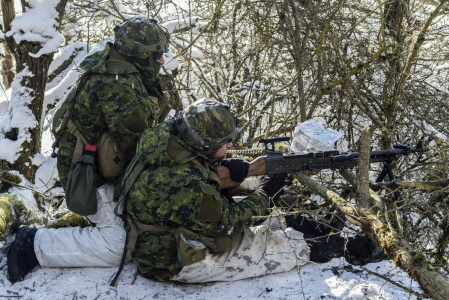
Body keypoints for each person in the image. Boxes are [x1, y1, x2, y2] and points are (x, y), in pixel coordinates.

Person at [125, 98, 384, 283]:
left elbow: (193, 176)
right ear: (203, 143)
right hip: (173, 259)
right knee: (283, 248)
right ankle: (351, 249)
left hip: (168, 227)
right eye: (225, 143)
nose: (232, 144)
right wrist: (266, 193)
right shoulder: (182, 182)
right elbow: (228, 224)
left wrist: (229, 170)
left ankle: (316, 228)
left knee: (278, 218)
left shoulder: (165, 140)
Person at [7, 16, 171, 283]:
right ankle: (35, 244)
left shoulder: (122, 69)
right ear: (141, 55)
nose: (161, 61)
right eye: (156, 55)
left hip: (100, 168)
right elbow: (140, 149)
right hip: (89, 179)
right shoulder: (118, 84)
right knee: (120, 245)